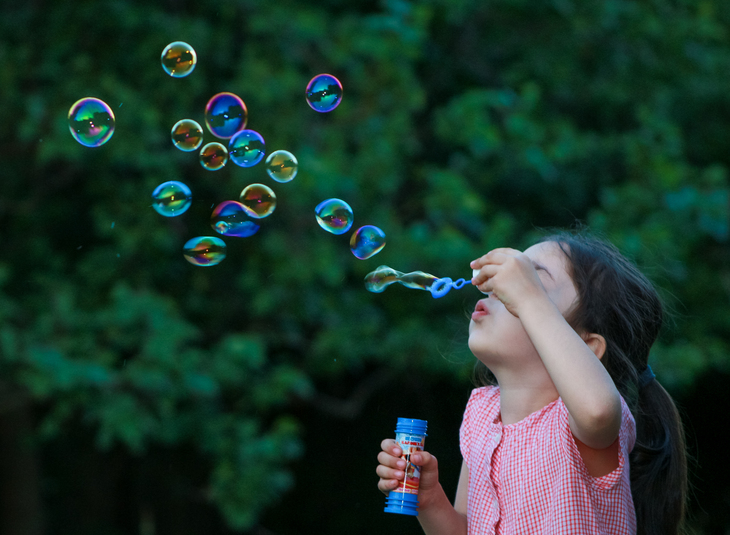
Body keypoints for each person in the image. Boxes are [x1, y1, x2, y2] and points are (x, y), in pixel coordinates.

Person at [376, 231, 688, 535]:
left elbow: (597, 411)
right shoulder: (480, 418)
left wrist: (527, 298)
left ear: (587, 346)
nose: (502, 288)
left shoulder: (582, 421)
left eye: (530, 279)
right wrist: (430, 501)